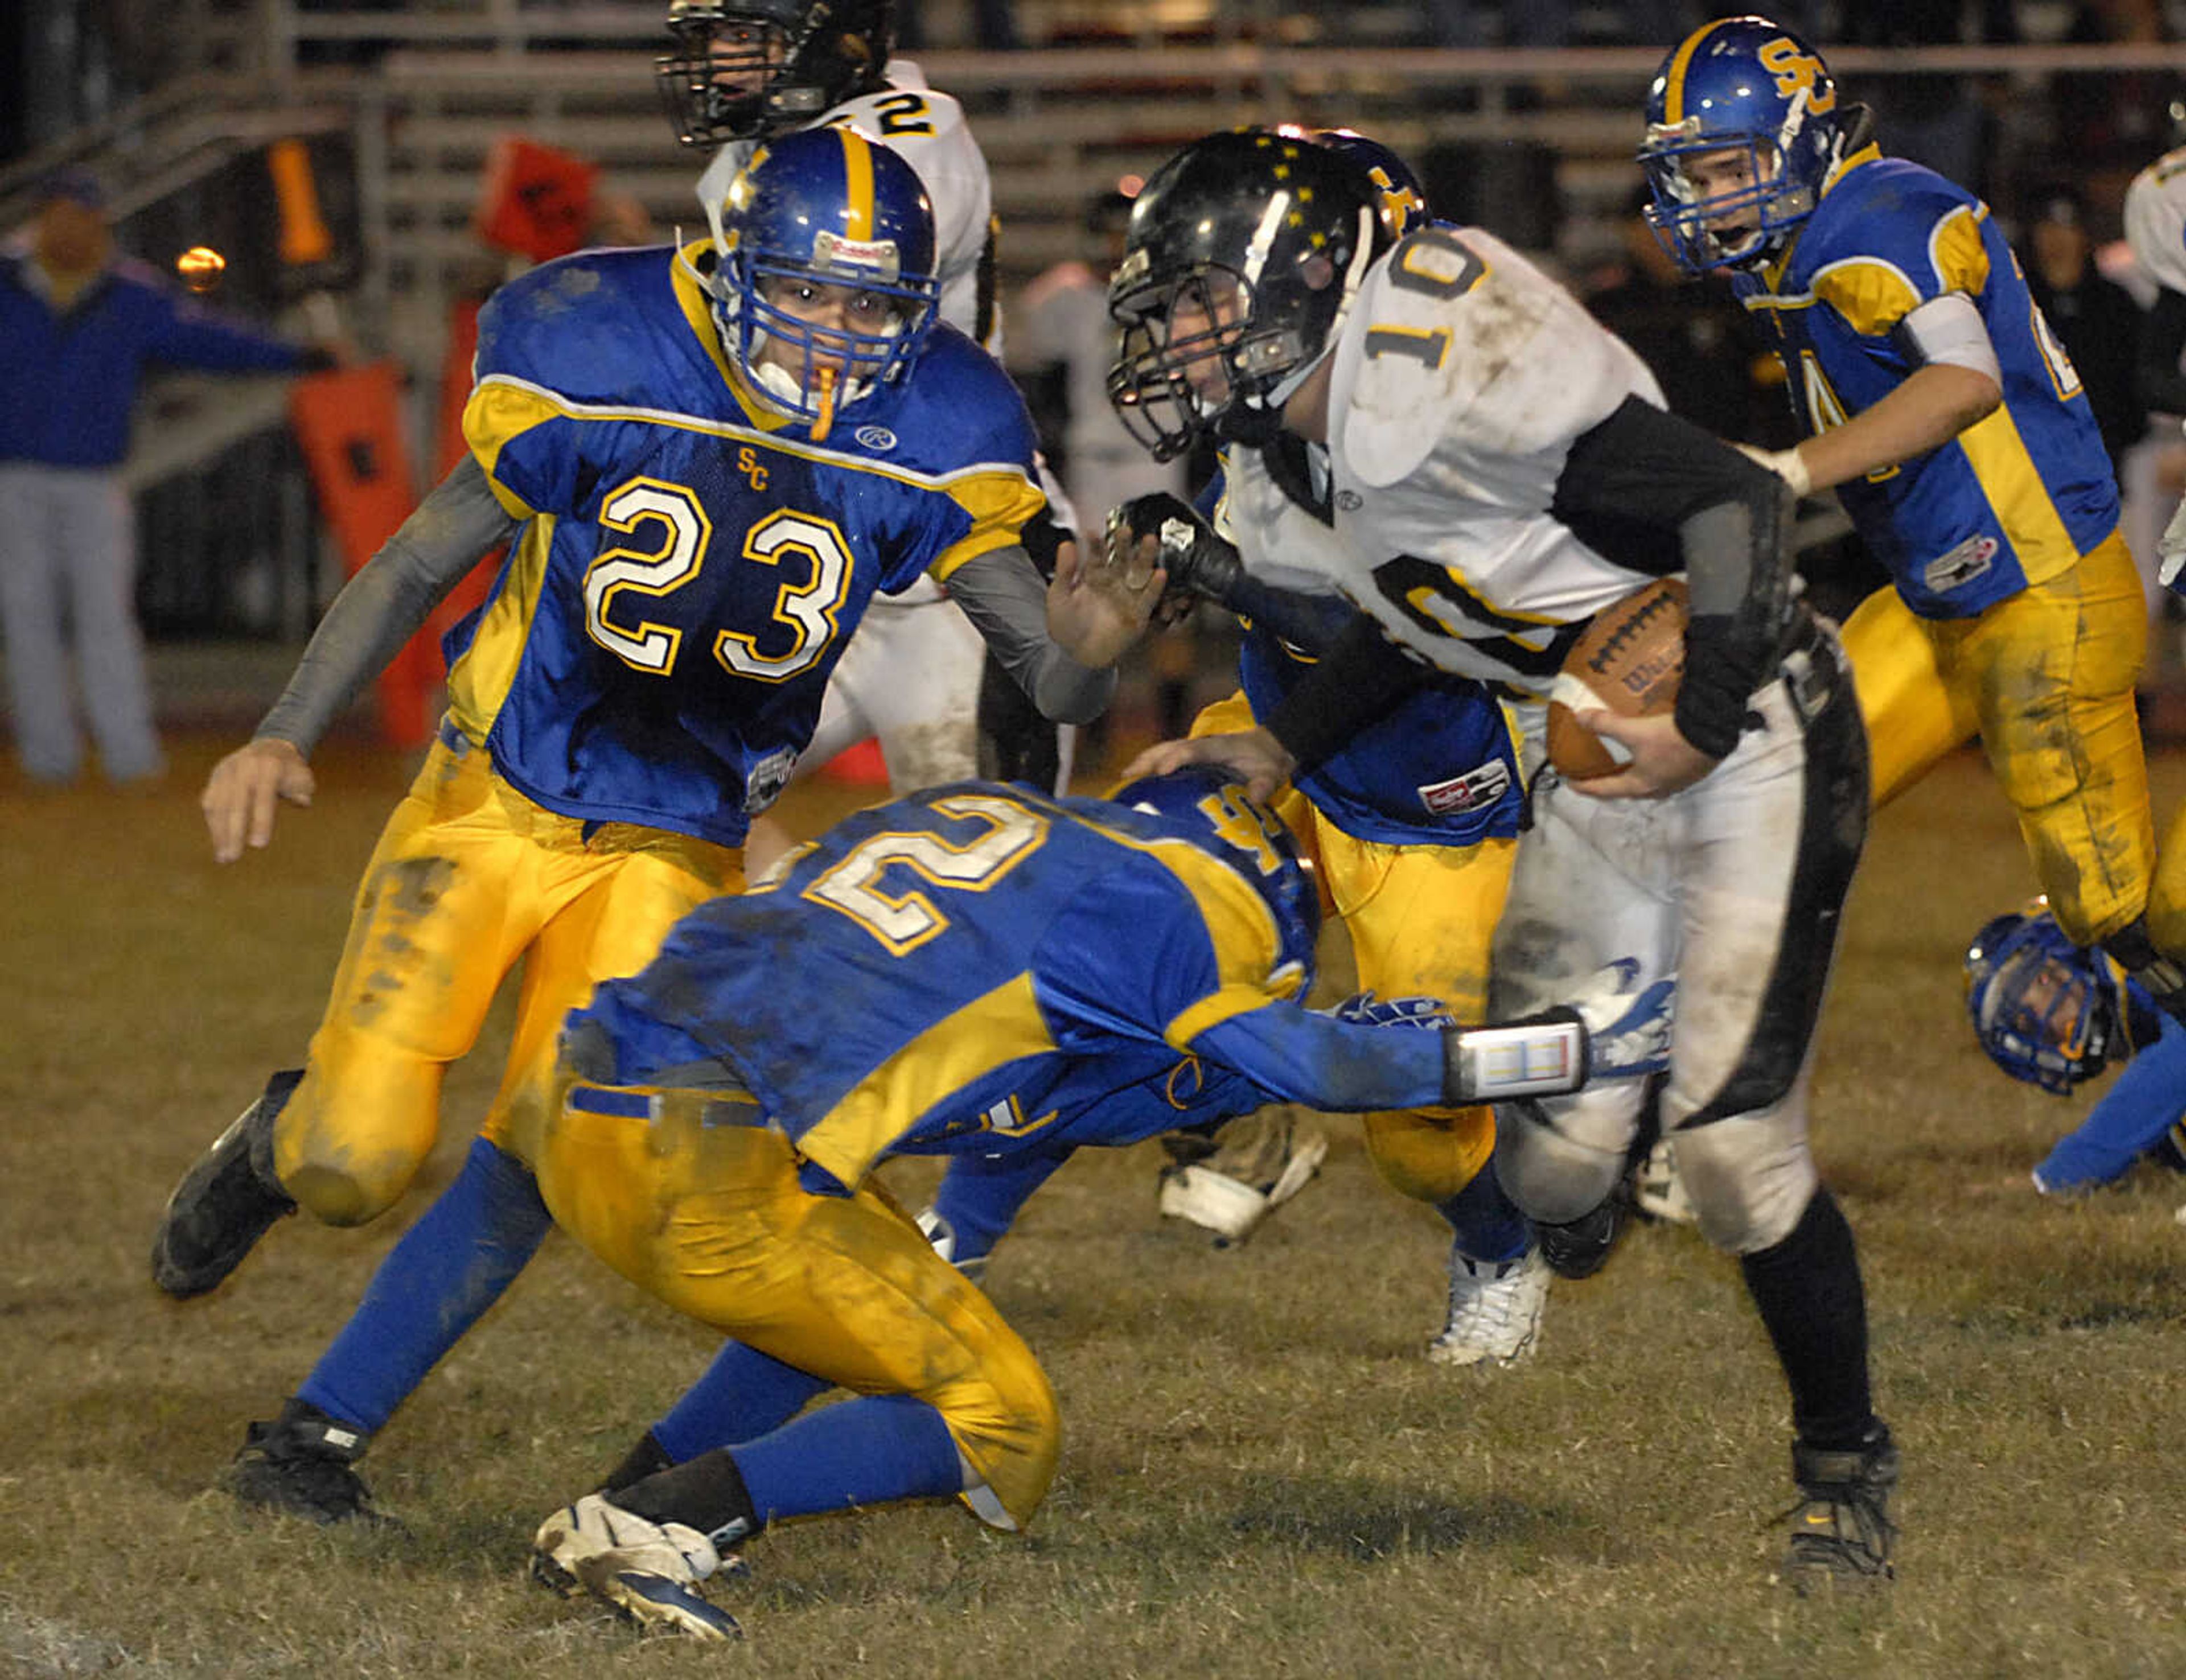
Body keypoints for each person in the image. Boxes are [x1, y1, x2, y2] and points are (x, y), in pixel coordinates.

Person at [147, 127, 1142, 1523]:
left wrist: (1094, 644)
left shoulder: (939, 422)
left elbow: (1047, 676)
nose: (844, 335)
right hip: (495, 793)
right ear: (737, 267)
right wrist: (283, 730)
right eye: (813, 291)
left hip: (679, 842)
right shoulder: (599, 335)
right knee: (351, 1160)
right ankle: (274, 1141)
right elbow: (426, 552)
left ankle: (310, 1438)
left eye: (876, 305)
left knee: (548, 1153)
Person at [1098, 126, 1895, 1592]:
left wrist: (1699, 724)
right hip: (1599, 738)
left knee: (1733, 1154)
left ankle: (1840, 1462)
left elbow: (1735, 501)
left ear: (1309, 283)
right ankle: (1628, 1096)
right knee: (1546, 1180)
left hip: (1752, 709)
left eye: (1203, 303)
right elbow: (1406, 627)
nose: (1182, 342)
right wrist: (1276, 748)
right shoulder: (1296, 452)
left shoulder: (1449, 361)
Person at [515, 766, 1655, 1637]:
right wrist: (1568, 1051)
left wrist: (1281, 1050)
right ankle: (666, 1523)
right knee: (1006, 1427)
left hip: (591, 1090)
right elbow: (1324, 1075)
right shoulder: (1174, 904)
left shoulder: (1040, 849)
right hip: (708, 1153)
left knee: (858, 1305)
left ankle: (621, 1502)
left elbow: (1070, 1090)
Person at [1637, 15, 2186, 1027]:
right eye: (1698, 181)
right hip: (1943, 602)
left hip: (2042, 594)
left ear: (1799, 137)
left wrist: (1790, 472)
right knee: (1783, 800)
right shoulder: (1802, 238)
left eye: (1728, 172)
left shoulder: (1880, 215)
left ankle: (2149, 1068)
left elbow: (1964, 381)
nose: (1713, 205)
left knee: (2124, 915)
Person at [1111, 127, 1555, 1369]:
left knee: (1414, 1124)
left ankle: (1501, 1241)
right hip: (1283, 757)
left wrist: (1216, 574)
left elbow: (1401, 638)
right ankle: (1242, 1119)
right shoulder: (1272, 410)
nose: (1189, 329)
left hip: (1438, 805)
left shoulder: (1456, 420)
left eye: (1211, 295)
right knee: (1123, 920)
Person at [658, 0, 1069, 804]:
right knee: (658, 801)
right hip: (818, 555)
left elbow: (838, 324)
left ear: (829, 38)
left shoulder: (909, 135)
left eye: (744, 37)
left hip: (952, 569)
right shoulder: (756, 151)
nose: (720, 60)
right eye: (712, 39)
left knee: (980, 876)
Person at [0, 166, 334, 787]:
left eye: (82, 216)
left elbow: (208, 340)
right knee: (27, 618)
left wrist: (295, 358)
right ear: (44, 218)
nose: (71, 228)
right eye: (61, 215)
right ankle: (49, 757)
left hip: (92, 477)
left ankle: (127, 753)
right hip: (15, 476)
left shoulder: (125, 294)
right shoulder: (12, 284)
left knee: (103, 616)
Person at [1963, 900, 2186, 1195]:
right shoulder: (2141, 1030)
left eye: (2040, 982)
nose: (2045, 1023)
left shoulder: (2138, 948)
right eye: (2025, 1024)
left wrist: (2066, 1172)